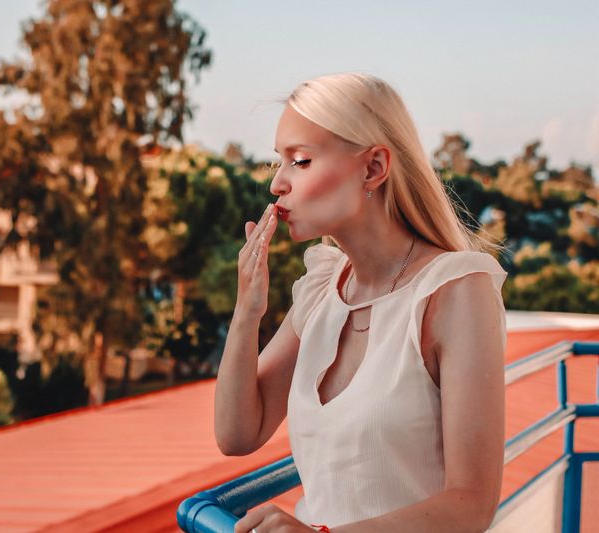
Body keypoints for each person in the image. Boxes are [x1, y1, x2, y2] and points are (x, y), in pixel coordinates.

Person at [214, 72, 508, 533]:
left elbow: (471, 505)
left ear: (373, 168)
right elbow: (237, 434)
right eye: (280, 163)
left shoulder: (457, 291)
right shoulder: (323, 287)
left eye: (302, 161)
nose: (278, 185)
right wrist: (247, 311)